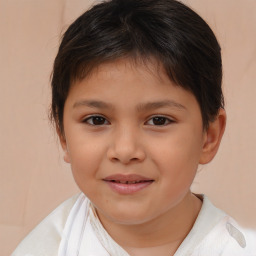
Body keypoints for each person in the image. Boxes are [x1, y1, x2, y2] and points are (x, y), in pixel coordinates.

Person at [12, 0, 256, 255]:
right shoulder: (44, 248)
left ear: (209, 137)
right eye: (97, 120)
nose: (125, 150)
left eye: (158, 120)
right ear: (63, 135)